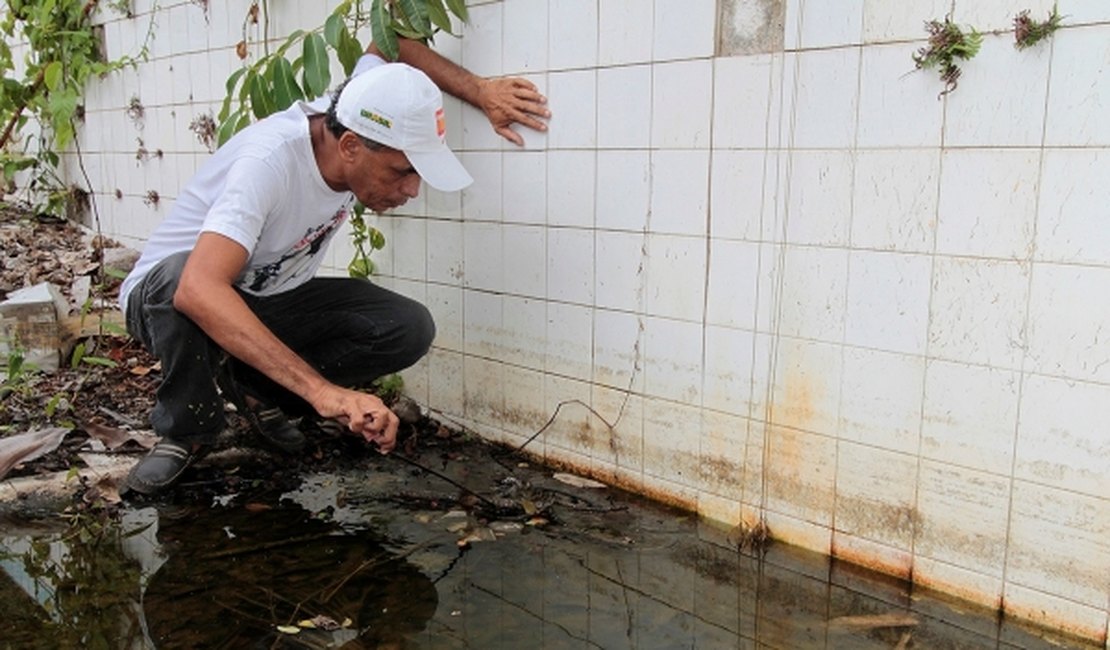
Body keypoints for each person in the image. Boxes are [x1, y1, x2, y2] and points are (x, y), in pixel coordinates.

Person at [120, 40, 549, 495]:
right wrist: (325, 393)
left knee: (405, 326)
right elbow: (198, 289)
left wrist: (480, 91)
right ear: (350, 147)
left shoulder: (358, 103)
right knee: (180, 276)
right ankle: (186, 429)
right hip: (169, 302)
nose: (411, 191)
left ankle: (254, 389)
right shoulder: (268, 164)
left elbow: (389, 39)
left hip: (262, 298)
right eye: (402, 171)